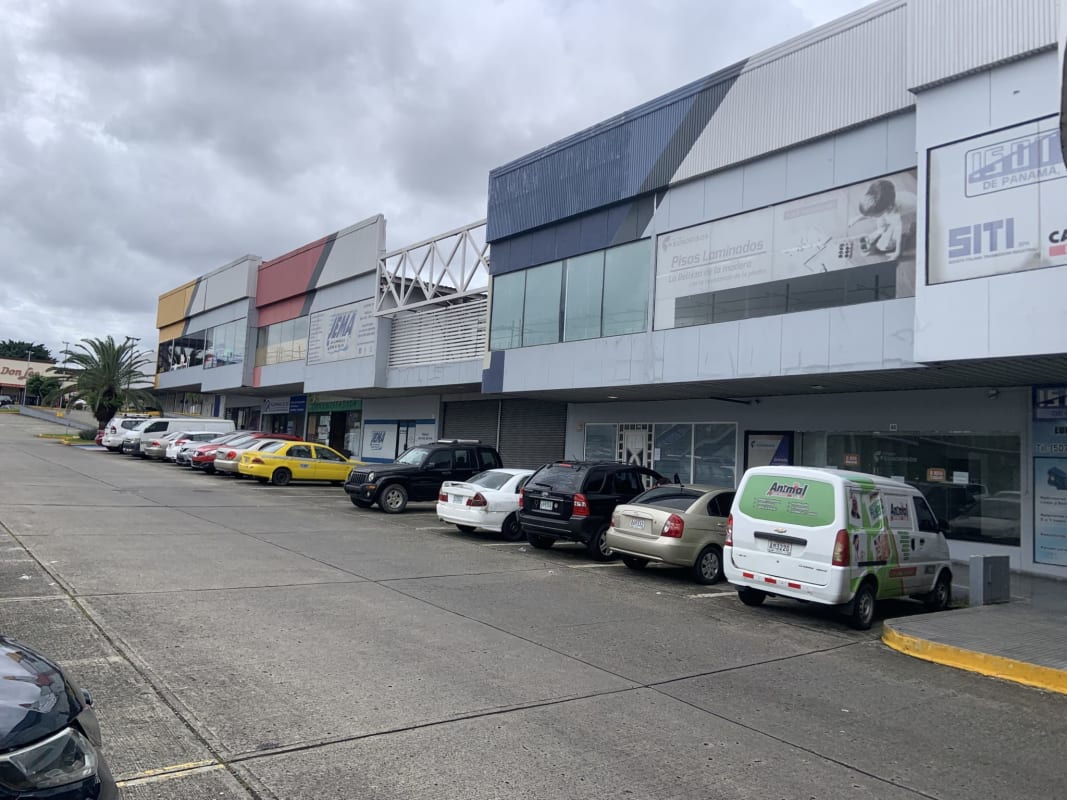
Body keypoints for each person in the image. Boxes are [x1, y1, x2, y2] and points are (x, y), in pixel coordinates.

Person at [851, 178, 917, 261]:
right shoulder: (884, 201)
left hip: (910, 215)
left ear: (887, 208)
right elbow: (874, 211)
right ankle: (881, 231)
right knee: (881, 220)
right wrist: (858, 218)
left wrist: (897, 254)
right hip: (907, 198)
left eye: (872, 216)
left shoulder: (896, 215)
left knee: (884, 247)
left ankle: (904, 236)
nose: (870, 218)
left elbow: (899, 235)